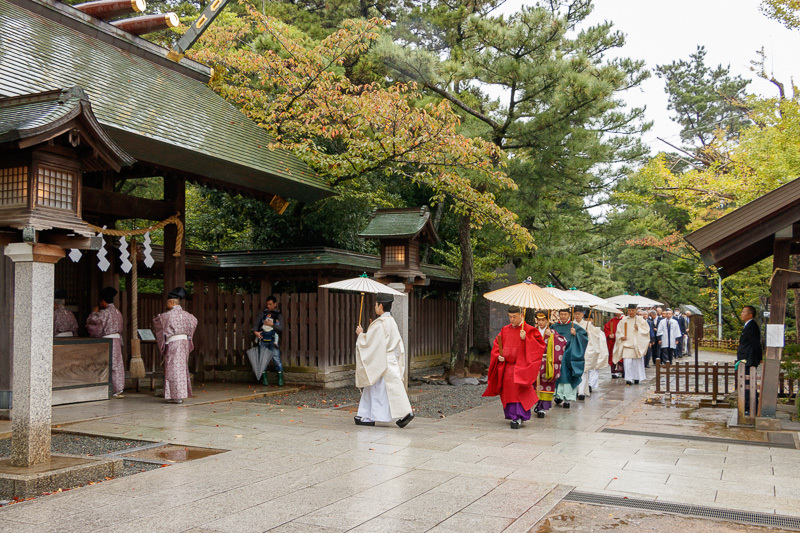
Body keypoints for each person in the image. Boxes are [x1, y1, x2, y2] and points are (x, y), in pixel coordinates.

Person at [354, 293, 414, 428]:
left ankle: (369, 416)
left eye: (376, 304)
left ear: (380, 305)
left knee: (375, 388)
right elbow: (398, 344)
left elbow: (370, 343)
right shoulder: (391, 322)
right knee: (393, 389)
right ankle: (404, 413)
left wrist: (361, 335)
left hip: (380, 360)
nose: (375, 307)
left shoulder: (379, 324)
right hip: (390, 359)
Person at [483, 306, 544, 428]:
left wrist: (526, 338)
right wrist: (499, 356)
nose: (512, 319)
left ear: (522, 315)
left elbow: (539, 346)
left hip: (522, 367)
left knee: (519, 391)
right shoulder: (505, 330)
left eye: (514, 317)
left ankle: (519, 416)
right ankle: (512, 416)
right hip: (507, 366)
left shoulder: (529, 330)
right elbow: (497, 345)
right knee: (508, 392)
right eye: (510, 317)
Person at [153, 287, 198, 404]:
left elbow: (157, 322)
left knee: (173, 368)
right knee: (181, 368)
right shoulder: (189, 315)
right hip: (184, 343)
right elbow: (194, 322)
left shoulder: (166, 316)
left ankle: (176, 396)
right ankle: (180, 394)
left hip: (174, 343)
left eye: (168, 303)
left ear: (171, 302)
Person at [86, 287, 125, 398]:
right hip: (116, 340)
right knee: (117, 364)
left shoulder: (104, 313)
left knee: (107, 364)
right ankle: (118, 388)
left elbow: (94, 324)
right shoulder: (118, 312)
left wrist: (93, 313)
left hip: (107, 341)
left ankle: (109, 388)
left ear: (103, 301)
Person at [552, 309, 588, 408]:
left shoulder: (574, 327)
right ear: (559, 315)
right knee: (556, 375)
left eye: (565, 314)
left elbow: (584, 337)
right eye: (561, 314)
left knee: (567, 376)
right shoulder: (554, 327)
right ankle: (558, 395)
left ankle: (567, 398)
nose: (563, 316)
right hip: (556, 355)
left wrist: (576, 335)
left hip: (569, 355)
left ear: (569, 315)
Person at [533, 310, 565, 418]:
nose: (541, 322)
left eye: (543, 320)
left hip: (547, 362)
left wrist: (552, 337)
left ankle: (542, 407)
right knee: (533, 384)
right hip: (534, 362)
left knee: (546, 383)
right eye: (539, 320)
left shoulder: (552, 332)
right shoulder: (532, 332)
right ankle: (534, 403)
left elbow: (563, 342)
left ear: (547, 320)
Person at [574, 307, 608, 400]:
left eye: (579, 314)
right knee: (574, 371)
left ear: (582, 314)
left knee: (583, 371)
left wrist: (588, 334)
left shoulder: (588, 324)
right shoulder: (571, 324)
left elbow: (597, 335)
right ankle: (575, 391)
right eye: (575, 314)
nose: (577, 316)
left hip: (585, 350)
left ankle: (581, 392)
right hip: (573, 350)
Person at [613, 304, 650, 385]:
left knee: (636, 364)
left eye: (633, 310)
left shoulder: (641, 320)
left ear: (636, 310)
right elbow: (618, 332)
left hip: (636, 345)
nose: (631, 312)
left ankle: (637, 378)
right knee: (627, 363)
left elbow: (646, 331)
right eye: (629, 310)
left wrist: (639, 328)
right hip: (627, 345)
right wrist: (621, 337)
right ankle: (629, 379)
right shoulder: (623, 320)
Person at [737, 305, 762, 415]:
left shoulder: (752, 326)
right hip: (745, 357)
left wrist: (759, 357)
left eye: (743, 312)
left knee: (749, 384)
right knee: (746, 383)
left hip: (749, 358)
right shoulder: (747, 325)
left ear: (750, 315)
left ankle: (750, 407)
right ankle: (748, 406)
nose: (741, 314)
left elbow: (755, 343)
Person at [254, 295, 284, 386]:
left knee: (276, 359)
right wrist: (256, 332)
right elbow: (256, 325)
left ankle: (280, 379)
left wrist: (272, 325)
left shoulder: (278, 315)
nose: (268, 306)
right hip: (263, 339)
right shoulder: (262, 314)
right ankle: (265, 379)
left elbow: (281, 327)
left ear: (275, 304)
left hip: (273, 339)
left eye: (270, 304)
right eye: (267, 304)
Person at [604, 310, 624, 378]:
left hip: (621, 341)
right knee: (613, 356)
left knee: (622, 356)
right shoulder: (612, 320)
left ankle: (623, 371)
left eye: (619, 311)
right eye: (616, 311)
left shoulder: (624, 320)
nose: (618, 313)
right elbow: (606, 328)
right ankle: (614, 372)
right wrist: (609, 334)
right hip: (613, 342)